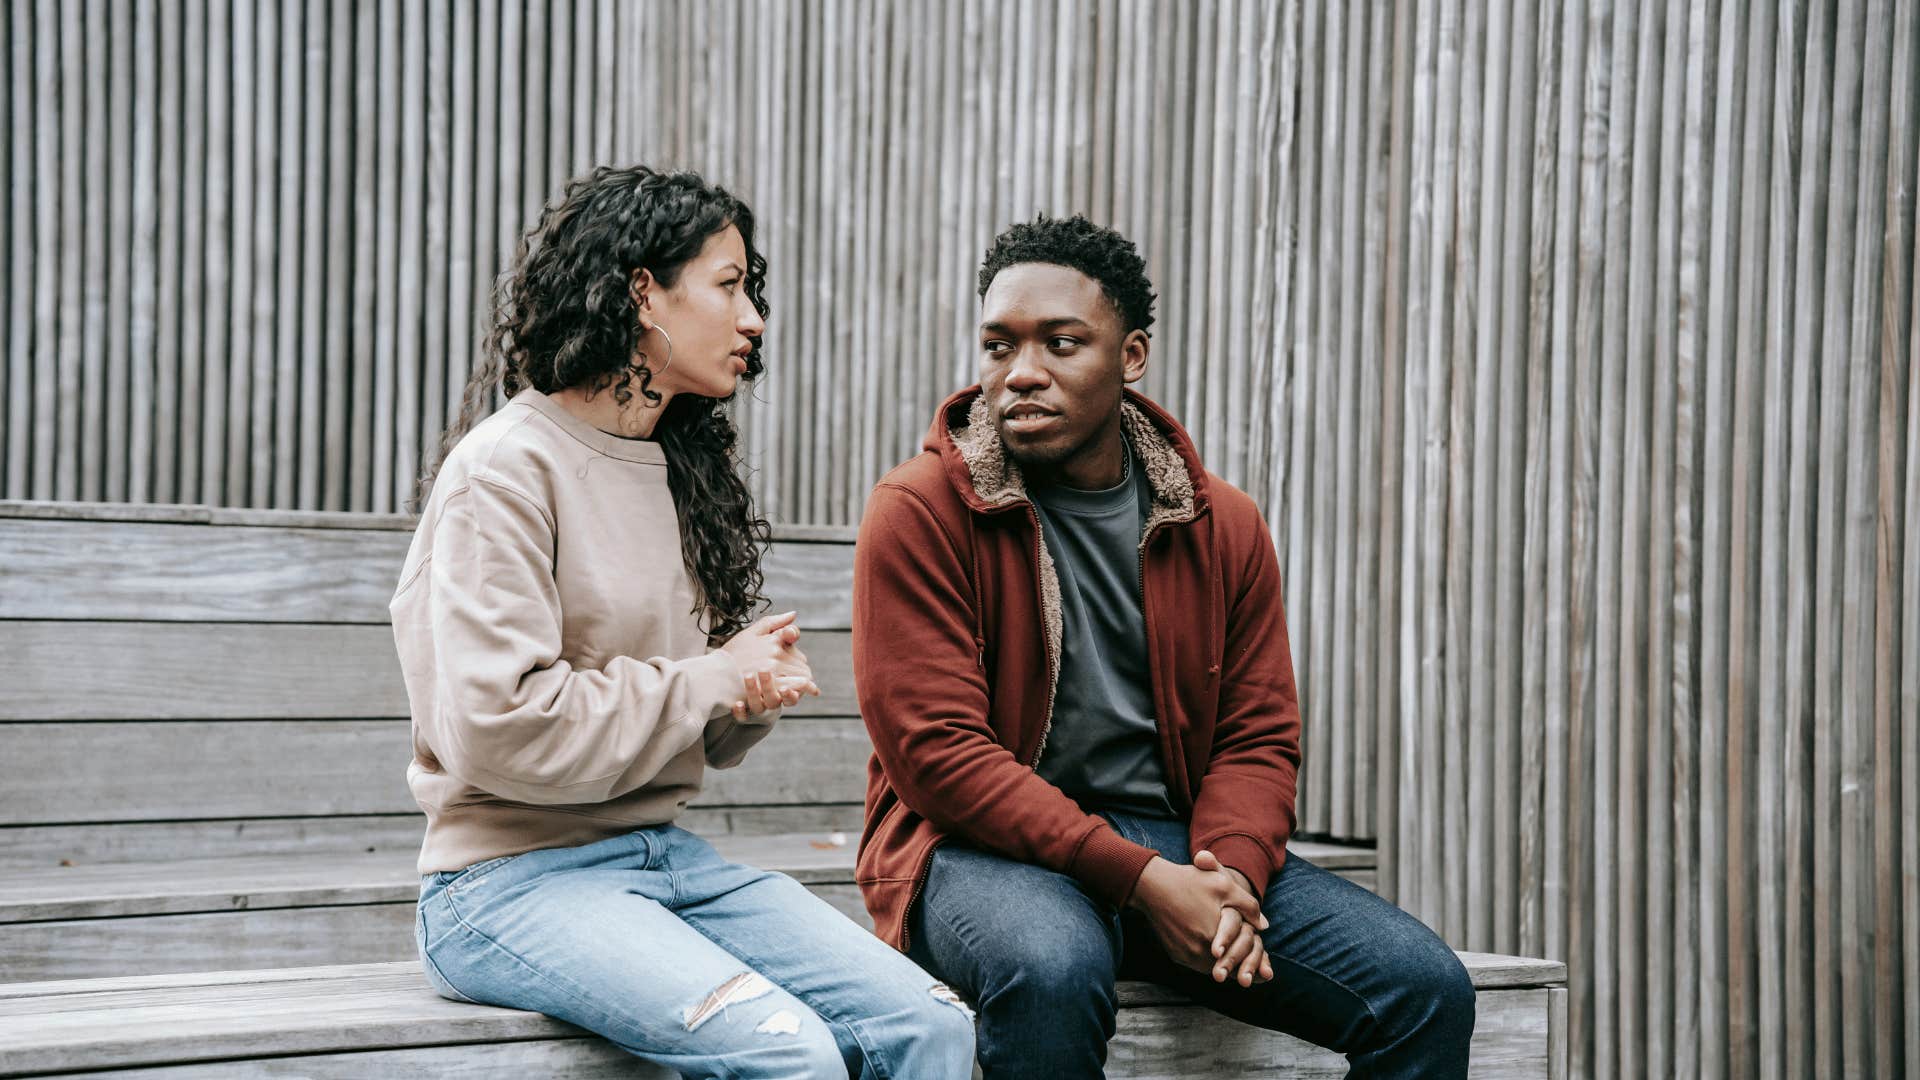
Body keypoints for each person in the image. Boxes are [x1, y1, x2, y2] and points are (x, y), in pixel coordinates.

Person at [852, 214, 1475, 1078]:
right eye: (999, 347)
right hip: (977, 847)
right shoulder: (921, 509)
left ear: (1131, 355)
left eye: (1062, 344)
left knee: (1424, 988)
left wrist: (1231, 885)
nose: (1021, 374)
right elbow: (938, 756)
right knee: (1052, 968)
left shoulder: (1222, 522)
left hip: (1182, 840)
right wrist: (1143, 882)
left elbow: (1256, 736)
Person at [394, 165, 975, 1079]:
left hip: (661, 859)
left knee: (934, 1025)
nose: (755, 320)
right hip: (503, 884)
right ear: (642, 294)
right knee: (793, 1058)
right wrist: (709, 677)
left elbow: (671, 717)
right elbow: (496, 727)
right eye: (730, 286)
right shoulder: (504, 470)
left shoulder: (671, 467)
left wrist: (743, 697)